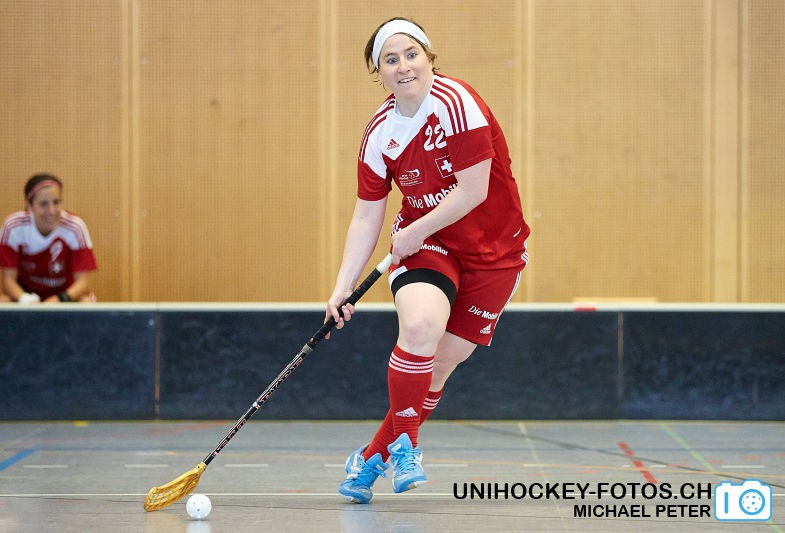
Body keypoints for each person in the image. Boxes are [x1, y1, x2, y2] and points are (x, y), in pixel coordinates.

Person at [325, 17, 530, 504]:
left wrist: (413, 230)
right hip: (429, 247)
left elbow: (473, 190)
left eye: (411, 54)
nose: (403, 66)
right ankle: (407, 445)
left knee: (437, 368)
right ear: (378, 73)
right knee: (419, 328)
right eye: (390, 60)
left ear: (429, 58)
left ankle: (371, 457)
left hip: (495, 254)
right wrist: (342, 286)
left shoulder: (458, 104)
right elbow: (366, 214)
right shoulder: (380, 134)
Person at [0, 173, 98, 304]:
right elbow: (8, 281)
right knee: (4, 301)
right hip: (26, 295)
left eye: (56, 202)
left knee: (86, 303)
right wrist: (27, 300)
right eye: (43, 204)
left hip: (64, 295)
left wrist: (57, 300)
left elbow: (83, 283)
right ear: (29, 206)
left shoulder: (75, 227)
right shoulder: (13, 227)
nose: (51, 211)